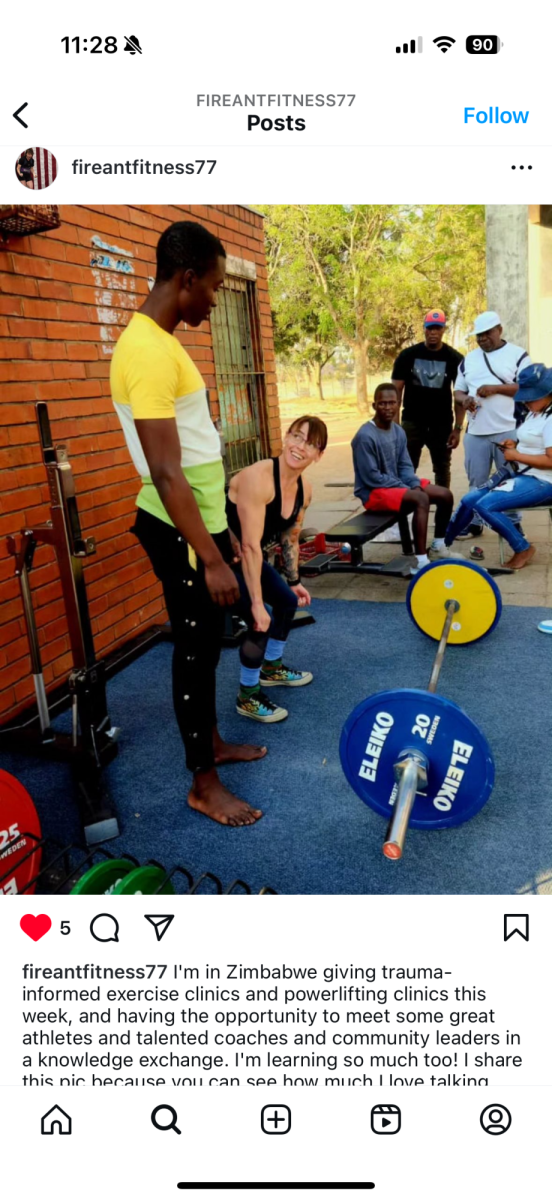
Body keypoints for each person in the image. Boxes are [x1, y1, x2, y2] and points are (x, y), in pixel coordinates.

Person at [110, 220, 266, 828]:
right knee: (196, 650)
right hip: (177, 527)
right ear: (188, 278)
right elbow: (167, 472)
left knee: (208, 643)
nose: (217, 297)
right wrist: (214, 557)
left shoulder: (163, 340)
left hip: (199, 521)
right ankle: (203, 782)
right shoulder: (147, 350)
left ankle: (212, 740)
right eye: (217, 286)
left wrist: (221, 533)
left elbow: (196, 453)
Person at [226, 416, 327, 722]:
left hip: (247, 555)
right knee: (260, 621)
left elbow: (290, 536)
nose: (300, 447)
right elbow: (250, 547)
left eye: (310, 444)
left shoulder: (304, 489)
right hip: (219, 559)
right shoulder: (258, 478)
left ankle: (271, 668)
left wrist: (294, 580)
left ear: (318, 455)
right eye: (296, 436)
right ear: (286, 437)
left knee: (286, 601)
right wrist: (257, 604)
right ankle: (248, 695)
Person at [444, 363, 552, 569]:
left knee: (485, 505)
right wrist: (514, 445)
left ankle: (523, 548)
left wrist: (517, 455)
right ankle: (442, 546)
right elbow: (534, 444)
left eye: (531, 396)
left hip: (544, 481)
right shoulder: (535, 412)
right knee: (469, 500)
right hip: (524, 475)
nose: (526, 401)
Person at [352, 384, 454, 574]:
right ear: (374, 406)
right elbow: (371, 477)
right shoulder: (365, 436)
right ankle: (421, 561)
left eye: (392, 403)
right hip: (374, 492)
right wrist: (408, 489)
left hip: (394, 485)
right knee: (420, 498)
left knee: (445, 494)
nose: (388, 407)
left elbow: (404, 466)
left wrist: (413, 484)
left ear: (399, 404)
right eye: (382, 403)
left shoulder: (398, 431)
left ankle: (439, 545)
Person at [453, 310, 531, 538]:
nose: (482, 339)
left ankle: (514, 523)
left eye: (486, 334)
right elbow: (457, 391)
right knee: (476, 481)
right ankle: (475, 522)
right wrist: (465, 400)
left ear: (499, 330)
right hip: (476, 432)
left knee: (511, 482)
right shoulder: (469, 359)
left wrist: (496, 388)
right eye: (478, 336)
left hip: (509, 430)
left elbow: (527, 388)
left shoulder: (518, 355)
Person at [392, 309, 464, 489]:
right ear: (424, 329)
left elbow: (459, 395)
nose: (433, 332)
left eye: (437, 328)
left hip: (441, 424)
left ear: (443, 330)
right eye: (430, 328)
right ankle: (403, 511)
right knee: (406, 468)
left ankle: (443, 515)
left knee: (442, 469)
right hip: (412, 422)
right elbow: (395, 392)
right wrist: (395, 427)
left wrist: (457, 428)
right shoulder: (407, 356)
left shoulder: (454, 358)